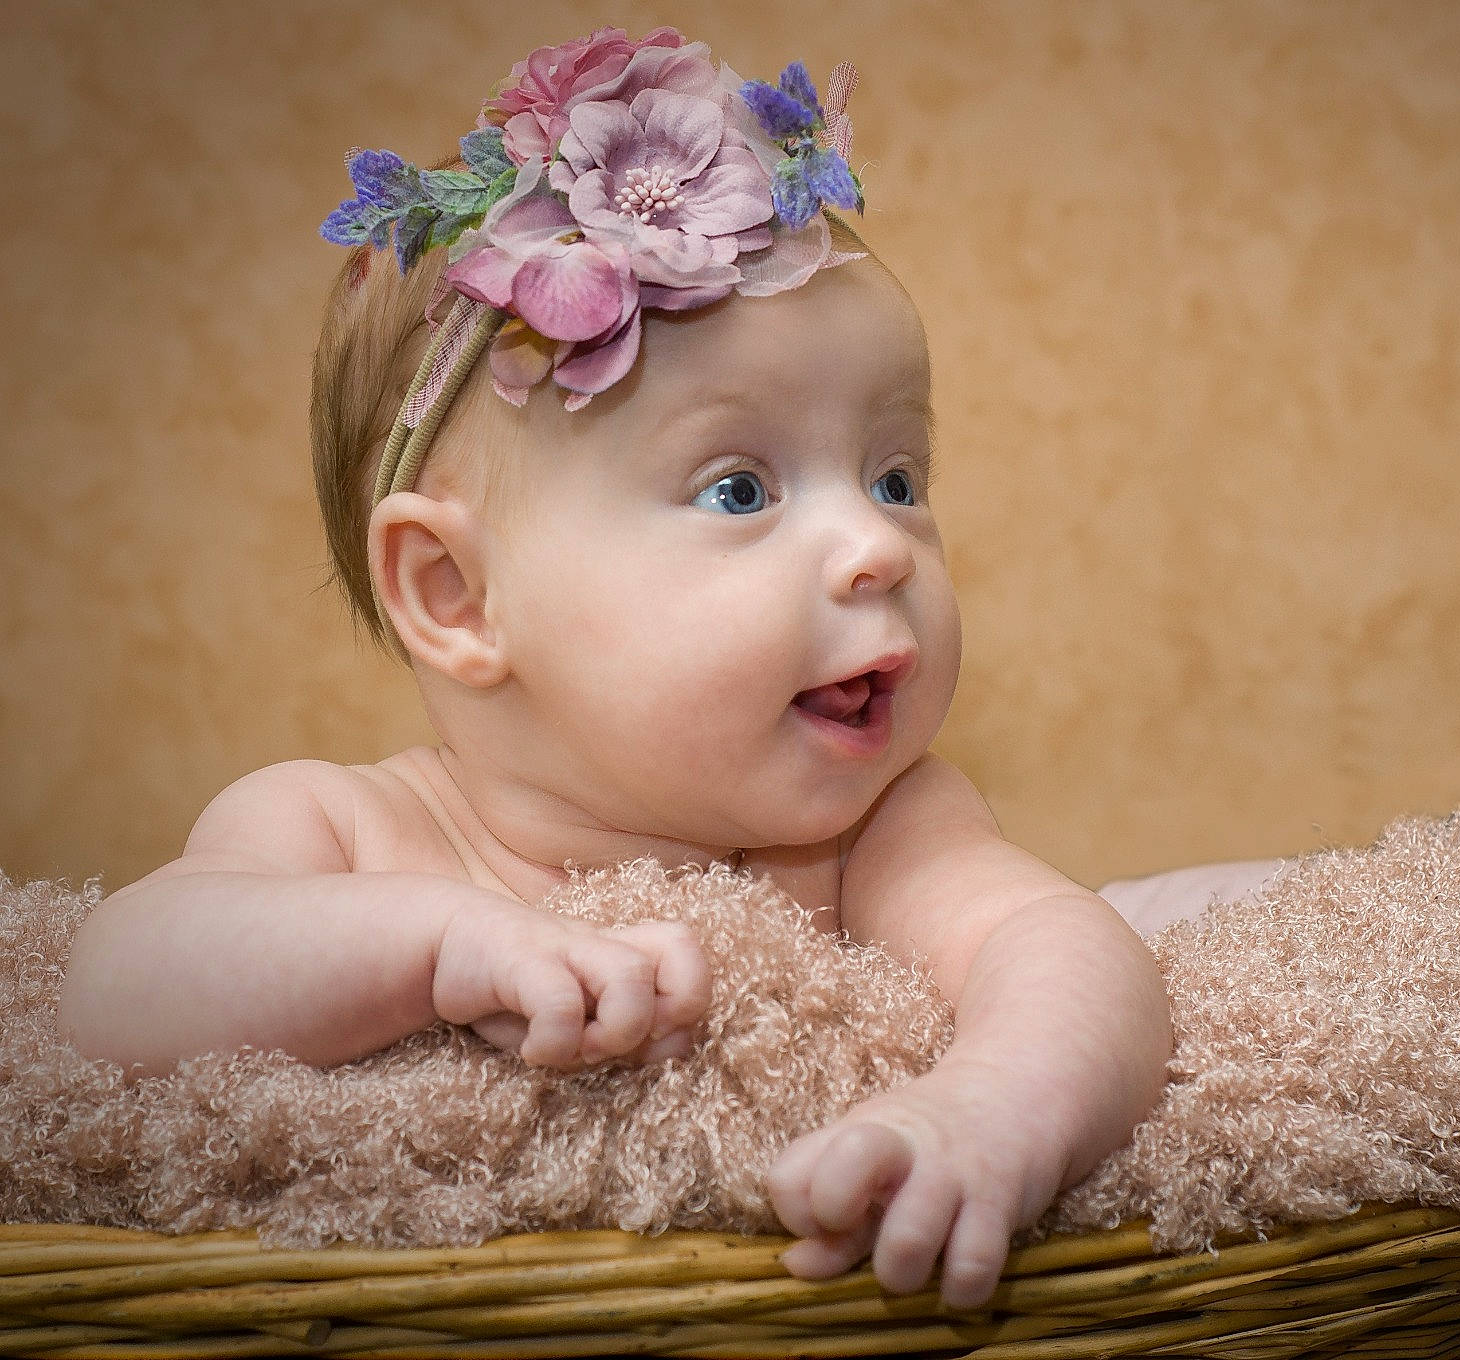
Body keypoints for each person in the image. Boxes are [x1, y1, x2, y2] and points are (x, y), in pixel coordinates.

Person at [53, 25, 1279, 1313]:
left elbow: (1066, 950)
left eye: (897, 478)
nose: (877, 546)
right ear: (456, 596)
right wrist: (435, 948)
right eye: (740, 487)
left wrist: (989, 1114)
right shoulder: (349, 827)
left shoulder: (871, 838)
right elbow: (113, 989)